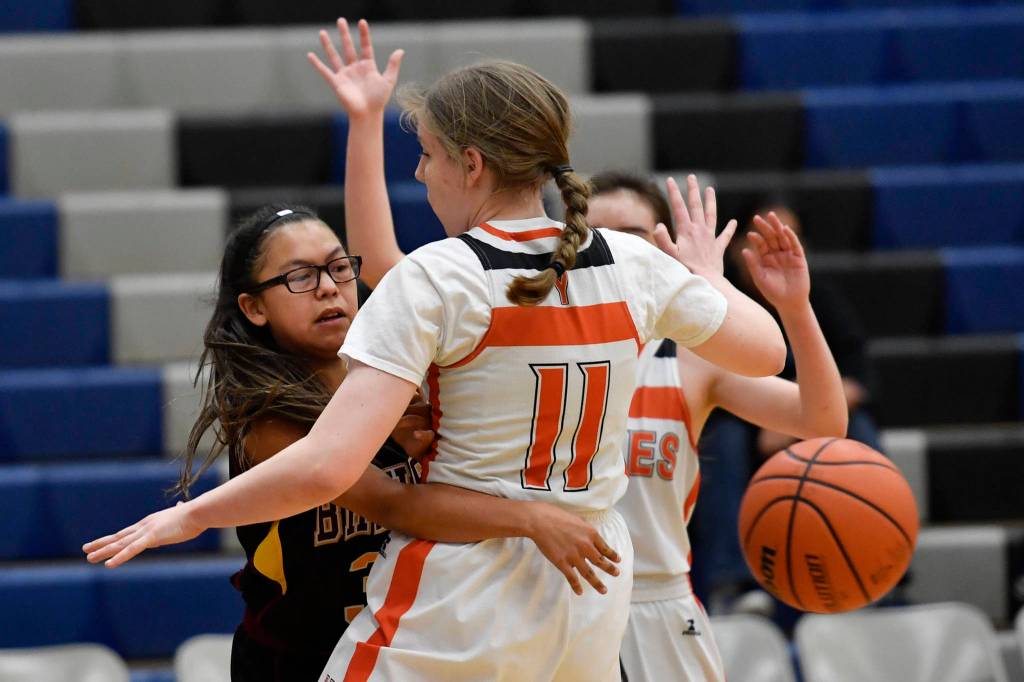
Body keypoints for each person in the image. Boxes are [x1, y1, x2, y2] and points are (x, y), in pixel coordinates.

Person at [84, 18, 786, 681]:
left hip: (461, 594)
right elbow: (765, 353)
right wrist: (705, 279)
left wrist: (191, 514)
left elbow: (328, 465)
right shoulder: (632, 262)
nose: (420, 175)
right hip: (590, 591)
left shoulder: (438, 277)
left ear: (471, 164)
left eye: (426, 156)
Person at [156, 203, 624, 681]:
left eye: (338, 268)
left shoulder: (402, 375)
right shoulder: (266, 422)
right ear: (254, 307)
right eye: (299, 276)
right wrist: (532, 519)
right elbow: (396, 506)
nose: (327, 287)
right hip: (299, 659)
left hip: (411, 644)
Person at [587, 172, 847, 681]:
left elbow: (823, 421)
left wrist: (794, 309)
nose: (612, 250)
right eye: (595, 236)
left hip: (657, 604)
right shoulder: (535, 346)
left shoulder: (689, 358)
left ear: (662, 250)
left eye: (631, 236)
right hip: (562, 601)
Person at [692, 197, 880, 620]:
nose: (773, 251)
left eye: (786, 239)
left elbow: (859, 377)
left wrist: (791, 423)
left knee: (859, 430)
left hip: (800, 416)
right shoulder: (720, 299)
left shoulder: (817, 292)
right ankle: (731, 583)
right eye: (761, 241)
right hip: (742, 419)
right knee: (725, 440)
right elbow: (711, 389)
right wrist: (770, 418)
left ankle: (873, 563)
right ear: (737, 247)